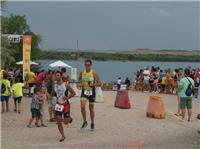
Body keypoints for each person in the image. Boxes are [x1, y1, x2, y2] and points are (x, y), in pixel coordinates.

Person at [79, 59, 101, 131]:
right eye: (86, 65)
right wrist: (80, 84)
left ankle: (92, 123)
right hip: (84, 91)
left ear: (91, 65)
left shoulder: (94, 73)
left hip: (91, 92)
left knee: (91, 108)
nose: (87, 66)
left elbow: (100, 83)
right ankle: (85, 122)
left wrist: (93, 84)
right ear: (84, 65)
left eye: (88, 65)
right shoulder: (82, 72)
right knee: (82, 106)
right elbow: (79, 80)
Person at [54, 71, 75, 142]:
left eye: (58, 75)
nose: (57, 77)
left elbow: (73, 93)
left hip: (65, 104)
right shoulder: (54, 85)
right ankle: (62, 136)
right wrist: (49, 95)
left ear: (60, 76)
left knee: (66, 122)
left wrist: (67, 97)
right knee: (59, 121)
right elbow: (53, 93)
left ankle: (69, 119)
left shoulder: (66, 85)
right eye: (56, 75)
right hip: (58, 104)